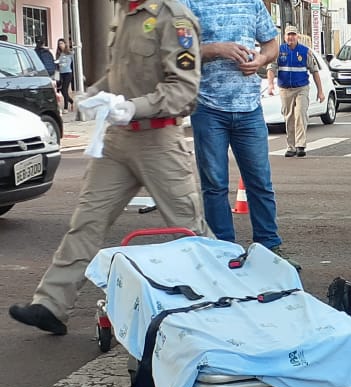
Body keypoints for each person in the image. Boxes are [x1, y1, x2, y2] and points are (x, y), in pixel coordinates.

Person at [9, 0, 207, 335]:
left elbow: (185, 89)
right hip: (117, 140)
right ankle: (51, 304)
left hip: (158, 140)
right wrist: (95, 94)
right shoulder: (124, 12)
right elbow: (120, 75)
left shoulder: (173, 18)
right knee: (87, 219)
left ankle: (216, 300)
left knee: (187, 229)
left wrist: (134, 107)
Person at [180, 0, 300, 269]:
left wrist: (261, 59)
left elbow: (271, 45)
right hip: (208, 106)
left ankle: (269, 248)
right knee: (214, 186)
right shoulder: (188, 3)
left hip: (249, 108)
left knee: (260, 182)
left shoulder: (252, 3)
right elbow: (176, 52)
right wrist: (214, 50)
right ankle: (222, 251)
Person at [266, 24, 324, 158]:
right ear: (284, 37)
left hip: (301, 88)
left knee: (300, 114)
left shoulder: (305, 51)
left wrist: (320, 92)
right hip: (285, 89)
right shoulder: (279, 51)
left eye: (293, 34)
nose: (291, 37)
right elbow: (271, 68)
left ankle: (300, 145)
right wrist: (270, 85)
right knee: (289, 117)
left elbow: (314, 71)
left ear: (297, 36)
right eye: (288, 35)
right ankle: (291, 146)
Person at [55, 38, 74, 112]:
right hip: (60, 74)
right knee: (60, 90)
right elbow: (56, 66)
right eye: (59, 44)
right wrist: (56, 77)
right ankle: (71, 101)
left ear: (65, 44)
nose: (60, 45)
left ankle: (66, 108)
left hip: (68, 73)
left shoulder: (70, 53)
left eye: (62, 43)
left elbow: (73, 65)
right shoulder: (58, 54)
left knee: (64, 90)